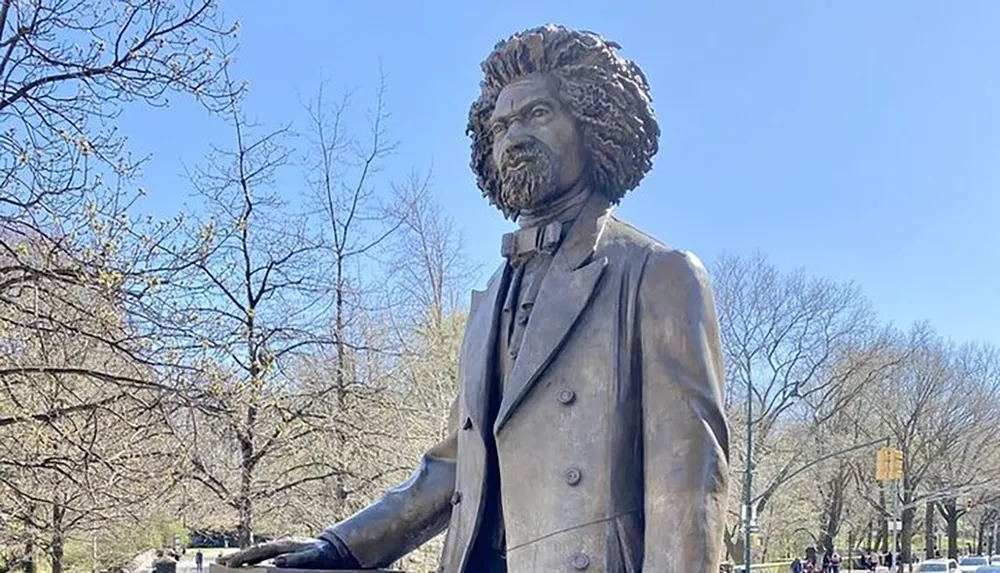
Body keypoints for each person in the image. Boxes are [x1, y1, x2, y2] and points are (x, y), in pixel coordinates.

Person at [218, 24, 730, 573]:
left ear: (594, 122)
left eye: (538, 114)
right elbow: (458, 467)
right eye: (501, 124)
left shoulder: (658, 275)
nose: (513, 136)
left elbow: (688, 484)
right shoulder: (488, 302)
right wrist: (340, 548)